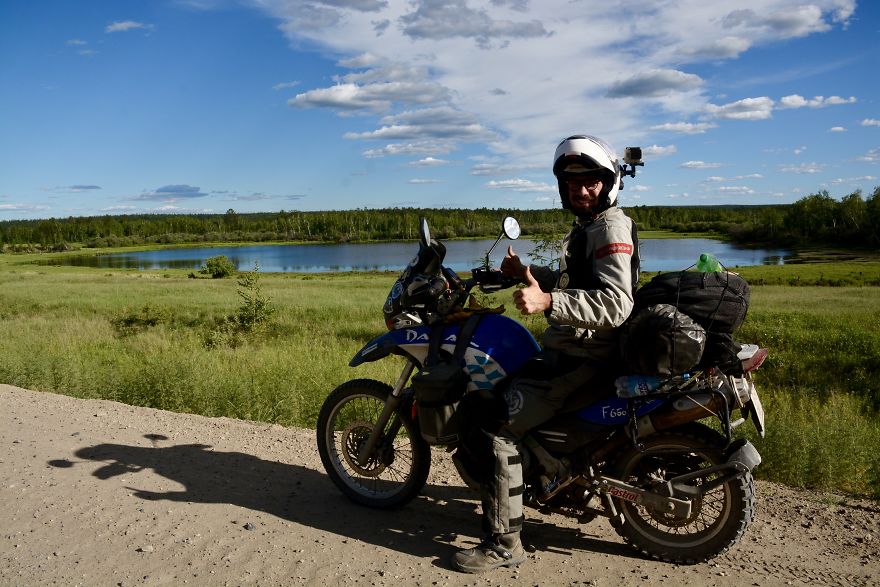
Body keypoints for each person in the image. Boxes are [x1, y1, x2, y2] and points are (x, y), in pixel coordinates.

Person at [451, 135, 641, 573]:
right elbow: (582, 281)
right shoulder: (590, 225)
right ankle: (545, 475)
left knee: (497, 427)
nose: (581, 190)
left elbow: (617, 303)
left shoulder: (609, 229)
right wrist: (528, 273)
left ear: (608, 182)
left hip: (585, 358)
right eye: (572, 183)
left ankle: (505, 544)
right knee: (501, 391)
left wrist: (548, 302)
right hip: (574, 351)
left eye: (591, 181)